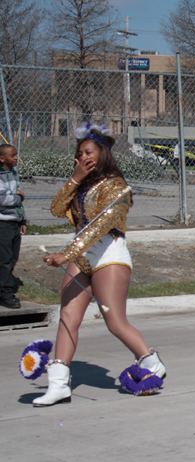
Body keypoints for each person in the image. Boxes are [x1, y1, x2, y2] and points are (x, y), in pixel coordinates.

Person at [33, 123, 166, 407]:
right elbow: (57, 209)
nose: (84, 157)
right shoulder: (81, 183)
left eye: (89, 152)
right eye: (80, 153)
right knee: (67, 318)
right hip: (81, 255)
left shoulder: (117, 187)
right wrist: (74, 178)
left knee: (114, 322)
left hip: (109, 254)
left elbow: (100, 226)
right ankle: (58, 385)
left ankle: (151, 362)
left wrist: (66, 254)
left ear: (102, 153)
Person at [0, 144, 26, 309]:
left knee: (12, 258)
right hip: (3, 223)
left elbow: (16, 196)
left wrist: (23, 219)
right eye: (12, 155)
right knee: (5, 260)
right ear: (2, 159)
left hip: (14, 222)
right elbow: (2, 200)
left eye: (16, 154)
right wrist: (19, 198)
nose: (16, 157)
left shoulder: (13, 173)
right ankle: (6, 294)